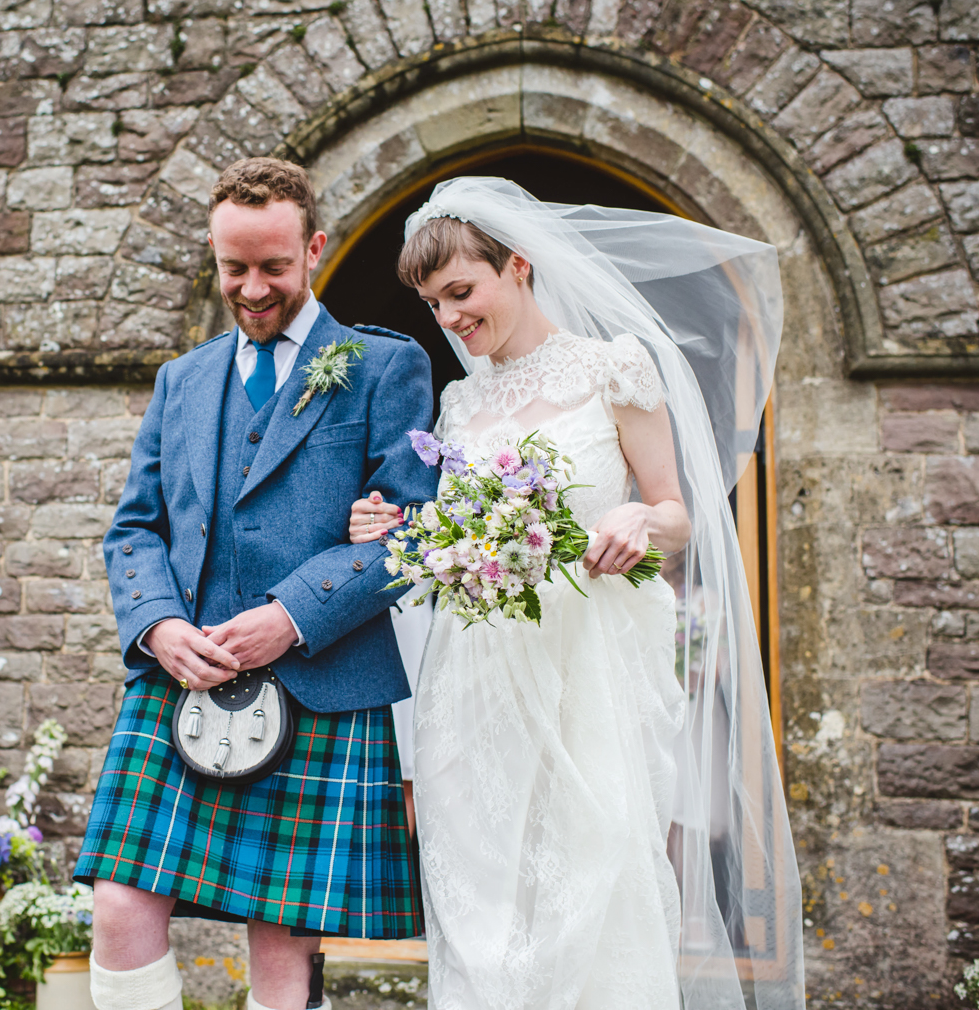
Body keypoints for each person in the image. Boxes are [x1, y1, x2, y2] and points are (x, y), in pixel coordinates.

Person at [347, 178, 805, 1010]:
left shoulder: (615, 367)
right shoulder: (456, 402)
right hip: (476, 682)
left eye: (461, 292)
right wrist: (395, 526)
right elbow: (451, 541)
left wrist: (638, 517)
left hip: (587, 673)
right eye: (433, 303)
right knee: (483, 902)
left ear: (518, 266)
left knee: (590, 889)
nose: (449, 319)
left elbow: (679, 514)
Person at [73, 157, 437, 1010]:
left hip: (321, 681)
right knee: (120, 904)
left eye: (273, 266)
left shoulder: (383, 366)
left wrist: (290, 616)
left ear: (313, 248)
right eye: (234, 267)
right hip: (182, 677)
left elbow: (412, 531)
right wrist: (159, 625)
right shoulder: (183, 379)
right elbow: (135, 528)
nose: (253, 287)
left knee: (281, 948)